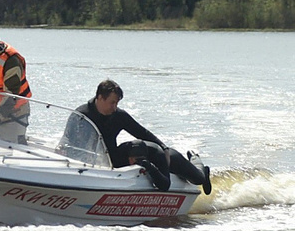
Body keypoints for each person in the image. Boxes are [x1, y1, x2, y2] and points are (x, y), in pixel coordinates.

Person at [65, 79, 212, 194]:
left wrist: (164, 148)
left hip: (158, 155)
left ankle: (197, 162)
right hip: (107, 160)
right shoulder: (81, 115)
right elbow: (68, 141)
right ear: (99, 97)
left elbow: (142, 133)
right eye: (112, 103)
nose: (115, 107)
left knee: (198, 179)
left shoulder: (118, 116)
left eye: (117, 103)